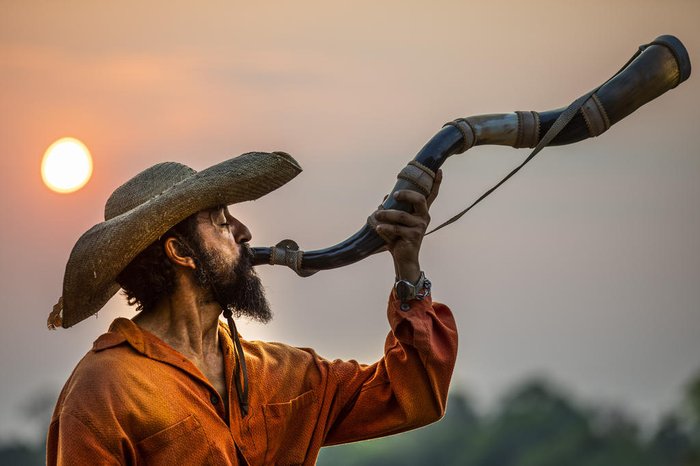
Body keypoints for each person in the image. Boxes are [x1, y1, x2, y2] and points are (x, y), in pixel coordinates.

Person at [46, 151, 458, 465]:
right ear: (179, 252)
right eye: (221, 222)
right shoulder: (103, 390)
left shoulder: (278, 374)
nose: (243, 233)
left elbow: (411, 395)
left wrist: (407, 266)